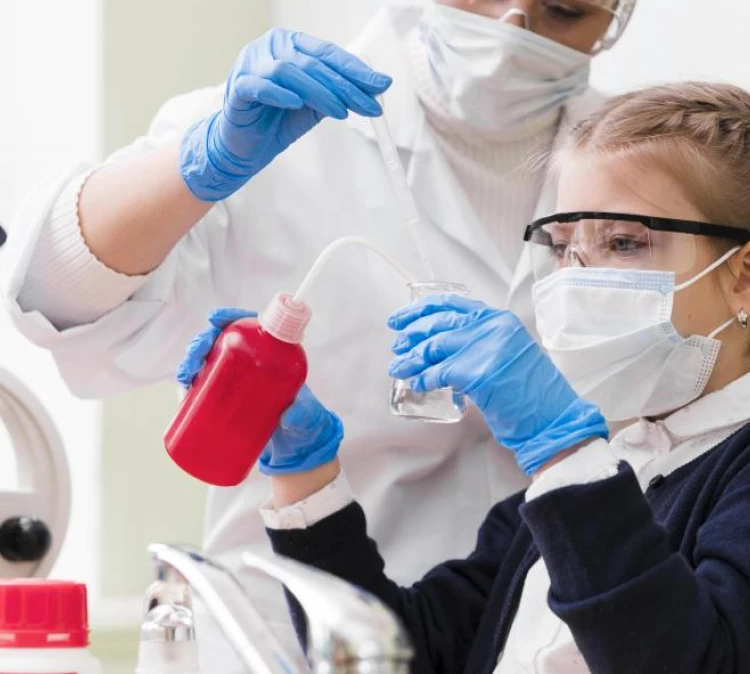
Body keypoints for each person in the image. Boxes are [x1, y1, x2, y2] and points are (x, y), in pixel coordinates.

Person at [2, 0, 658, 665]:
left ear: (622, 5)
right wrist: (200, 163)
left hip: (546, 639)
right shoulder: (290, 125)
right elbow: (55, 300)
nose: (509, 28)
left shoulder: (644, 175)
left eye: (565, 9)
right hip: (293, 638)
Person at [182, 81, 750, 672]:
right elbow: (400, 657)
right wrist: (308, 476)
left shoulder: (603, 474)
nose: (578, 279)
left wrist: (563, 448)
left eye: (625, 242)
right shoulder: (596, 473)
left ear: (743, 276)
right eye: (562, 248)